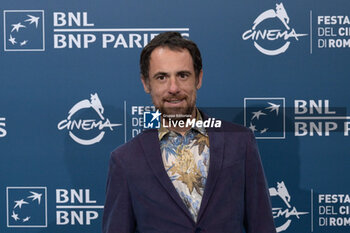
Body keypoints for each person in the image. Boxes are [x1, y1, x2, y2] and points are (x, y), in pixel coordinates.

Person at [103, 32, 276, 233]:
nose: (173, 88)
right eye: (162, 77)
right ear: (146, 84)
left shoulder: (240, 142)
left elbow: (262, 225)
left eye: (182, 75)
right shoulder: (125, 160)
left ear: (199, 78)